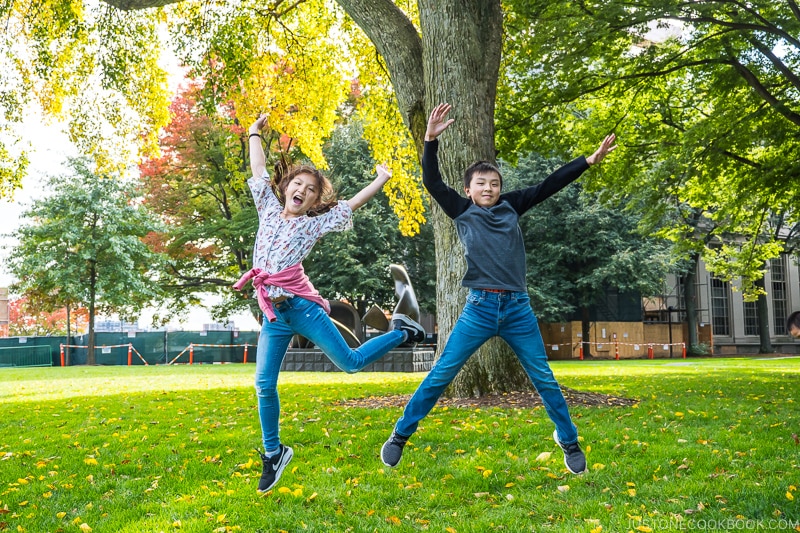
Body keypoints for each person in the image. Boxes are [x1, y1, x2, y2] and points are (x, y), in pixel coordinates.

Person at [380, 103, 617, 475]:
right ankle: (400, 434)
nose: (489, 188)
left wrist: (587, 160)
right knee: (442, 373)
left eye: (494, 184)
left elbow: (549, 184)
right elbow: (431, 181)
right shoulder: (461, 210)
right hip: (479, 308)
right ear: (468, 190)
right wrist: (430, 140)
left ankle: (568, 439)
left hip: (518, 310)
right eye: (481, 184)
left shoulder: (511, 206)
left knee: (544, 378)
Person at [237, 114, 426, 493]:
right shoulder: (268, 211)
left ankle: (401, 332)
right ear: (287, 186)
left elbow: (351, 204)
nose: (302, 190)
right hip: (273, 316)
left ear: (314, 201)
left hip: (302, 310)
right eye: (298, 183)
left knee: (350, 363)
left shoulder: (312, 224)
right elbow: (258, 170)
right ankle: (274, 454)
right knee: (263, 384)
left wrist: (381, 179)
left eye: (310, 190)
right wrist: (254, 132)